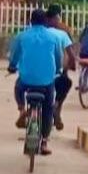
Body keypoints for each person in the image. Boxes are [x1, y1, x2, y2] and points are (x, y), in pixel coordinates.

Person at [8, 9, 64, 156]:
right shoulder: (53, 37)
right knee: (48, 109)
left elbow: (14, 55)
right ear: (45, 21)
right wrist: (58, 69)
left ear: (30, 21)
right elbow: (58, 58)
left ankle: (21, 109)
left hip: (26, 79)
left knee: (18, 88)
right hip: (47, 81)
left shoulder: (22, 36)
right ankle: (44, 141)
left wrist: (12, 66)